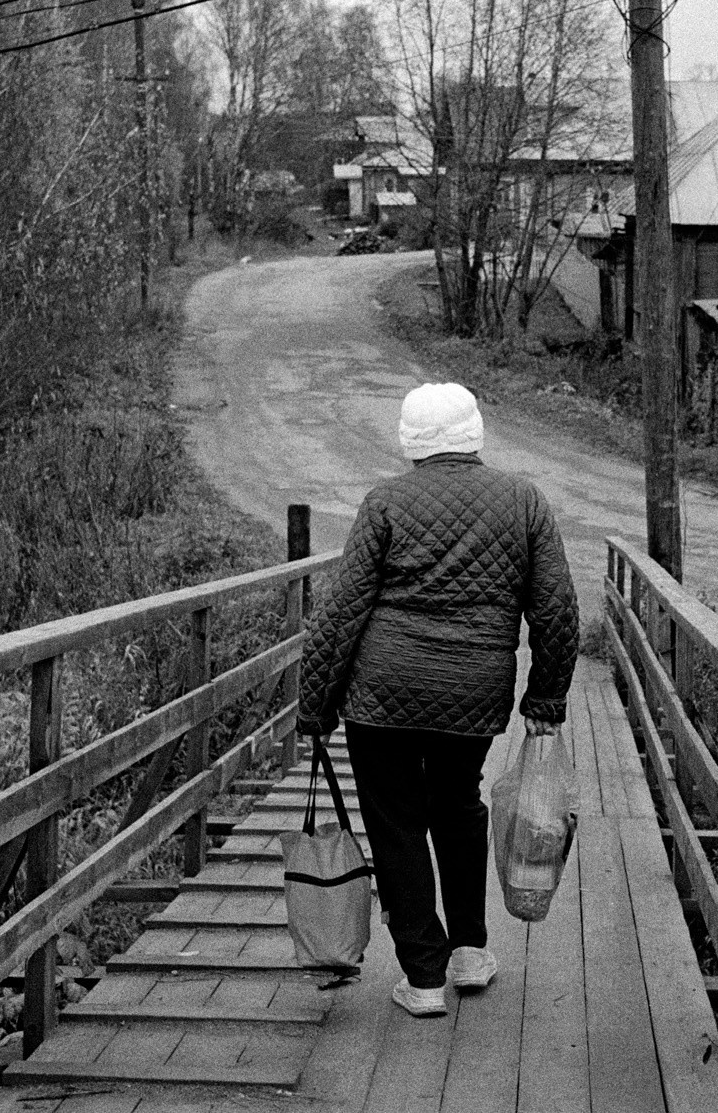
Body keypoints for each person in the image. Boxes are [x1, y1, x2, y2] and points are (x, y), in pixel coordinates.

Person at [295, 381, 579, 1017]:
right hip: (473, 693)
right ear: (474, 431)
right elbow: (556, 607)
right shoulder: (523, 500)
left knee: (395, 824)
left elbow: (341, 613)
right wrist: (546, 698)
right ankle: (471, 952)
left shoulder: (386, 502)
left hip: (383, 694)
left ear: (411, 440)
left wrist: (314, 706)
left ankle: (423, 977)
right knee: (456, 806)